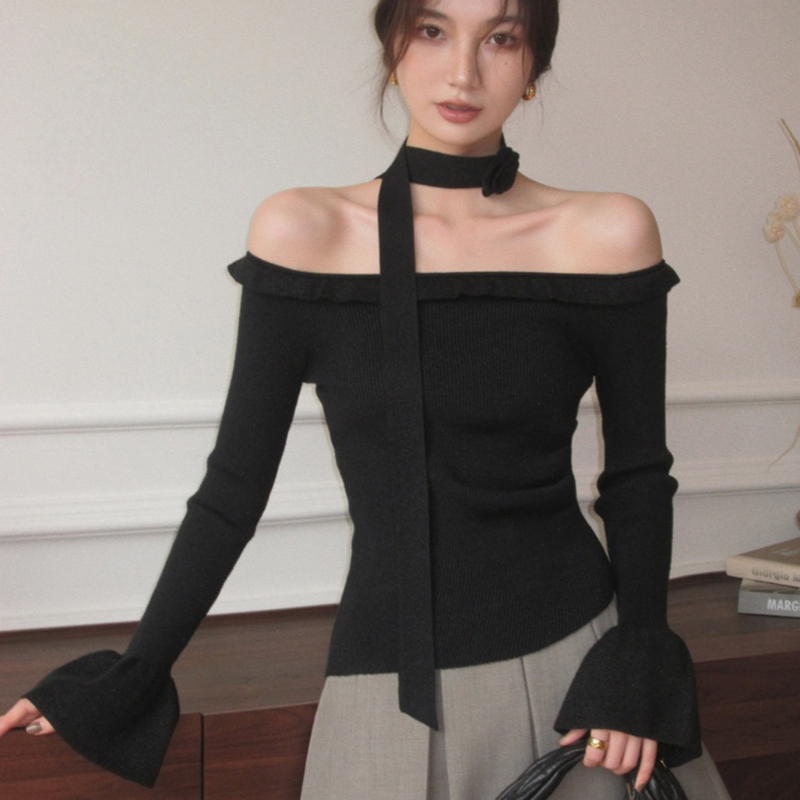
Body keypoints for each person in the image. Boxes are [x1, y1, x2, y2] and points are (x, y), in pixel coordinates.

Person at [0, 1, 732, 797]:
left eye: (501, 38)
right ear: (392, 44)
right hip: (390, 682)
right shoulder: (302, 230)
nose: (463, 72)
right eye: (433, 31)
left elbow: (637, 476)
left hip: (581, 674)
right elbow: (234, 486)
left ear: (535, 64)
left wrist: (639, 658)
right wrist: (135, 670)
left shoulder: (606, 233)